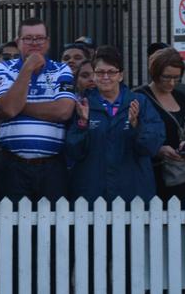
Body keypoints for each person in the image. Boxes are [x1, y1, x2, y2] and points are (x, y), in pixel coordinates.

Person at [0, 17, 75, 203]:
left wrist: (19, 107)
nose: (35, 43)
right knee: (12, 227)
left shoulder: (62, 70)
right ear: (18, 41)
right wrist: (27, 69)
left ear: (48, 42)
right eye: (28, 38)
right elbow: (9, 108)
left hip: (52, 166)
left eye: (39, 38)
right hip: (13, 165)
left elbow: (63, 111)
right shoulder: (3, 68)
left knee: (53, 228)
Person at [65, 46, 164, 203]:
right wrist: (83, 123)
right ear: (94, 75)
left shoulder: (141, 103)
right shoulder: (83, 104)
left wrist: (136, 126)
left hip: (133, 193)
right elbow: (73, 152)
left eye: (111, 72)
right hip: (91, 195)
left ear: (120, 75)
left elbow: (152, 147)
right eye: (100, 72)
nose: (105, 77)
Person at [136, 47, 185, 203]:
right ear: (155, 73)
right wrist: (158, 149)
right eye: (166, 77)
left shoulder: (181, 97)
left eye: (176, 78)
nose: (172, 82)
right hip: (153, 174)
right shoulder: (139, 96)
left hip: (181, 175)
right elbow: (133, 135)